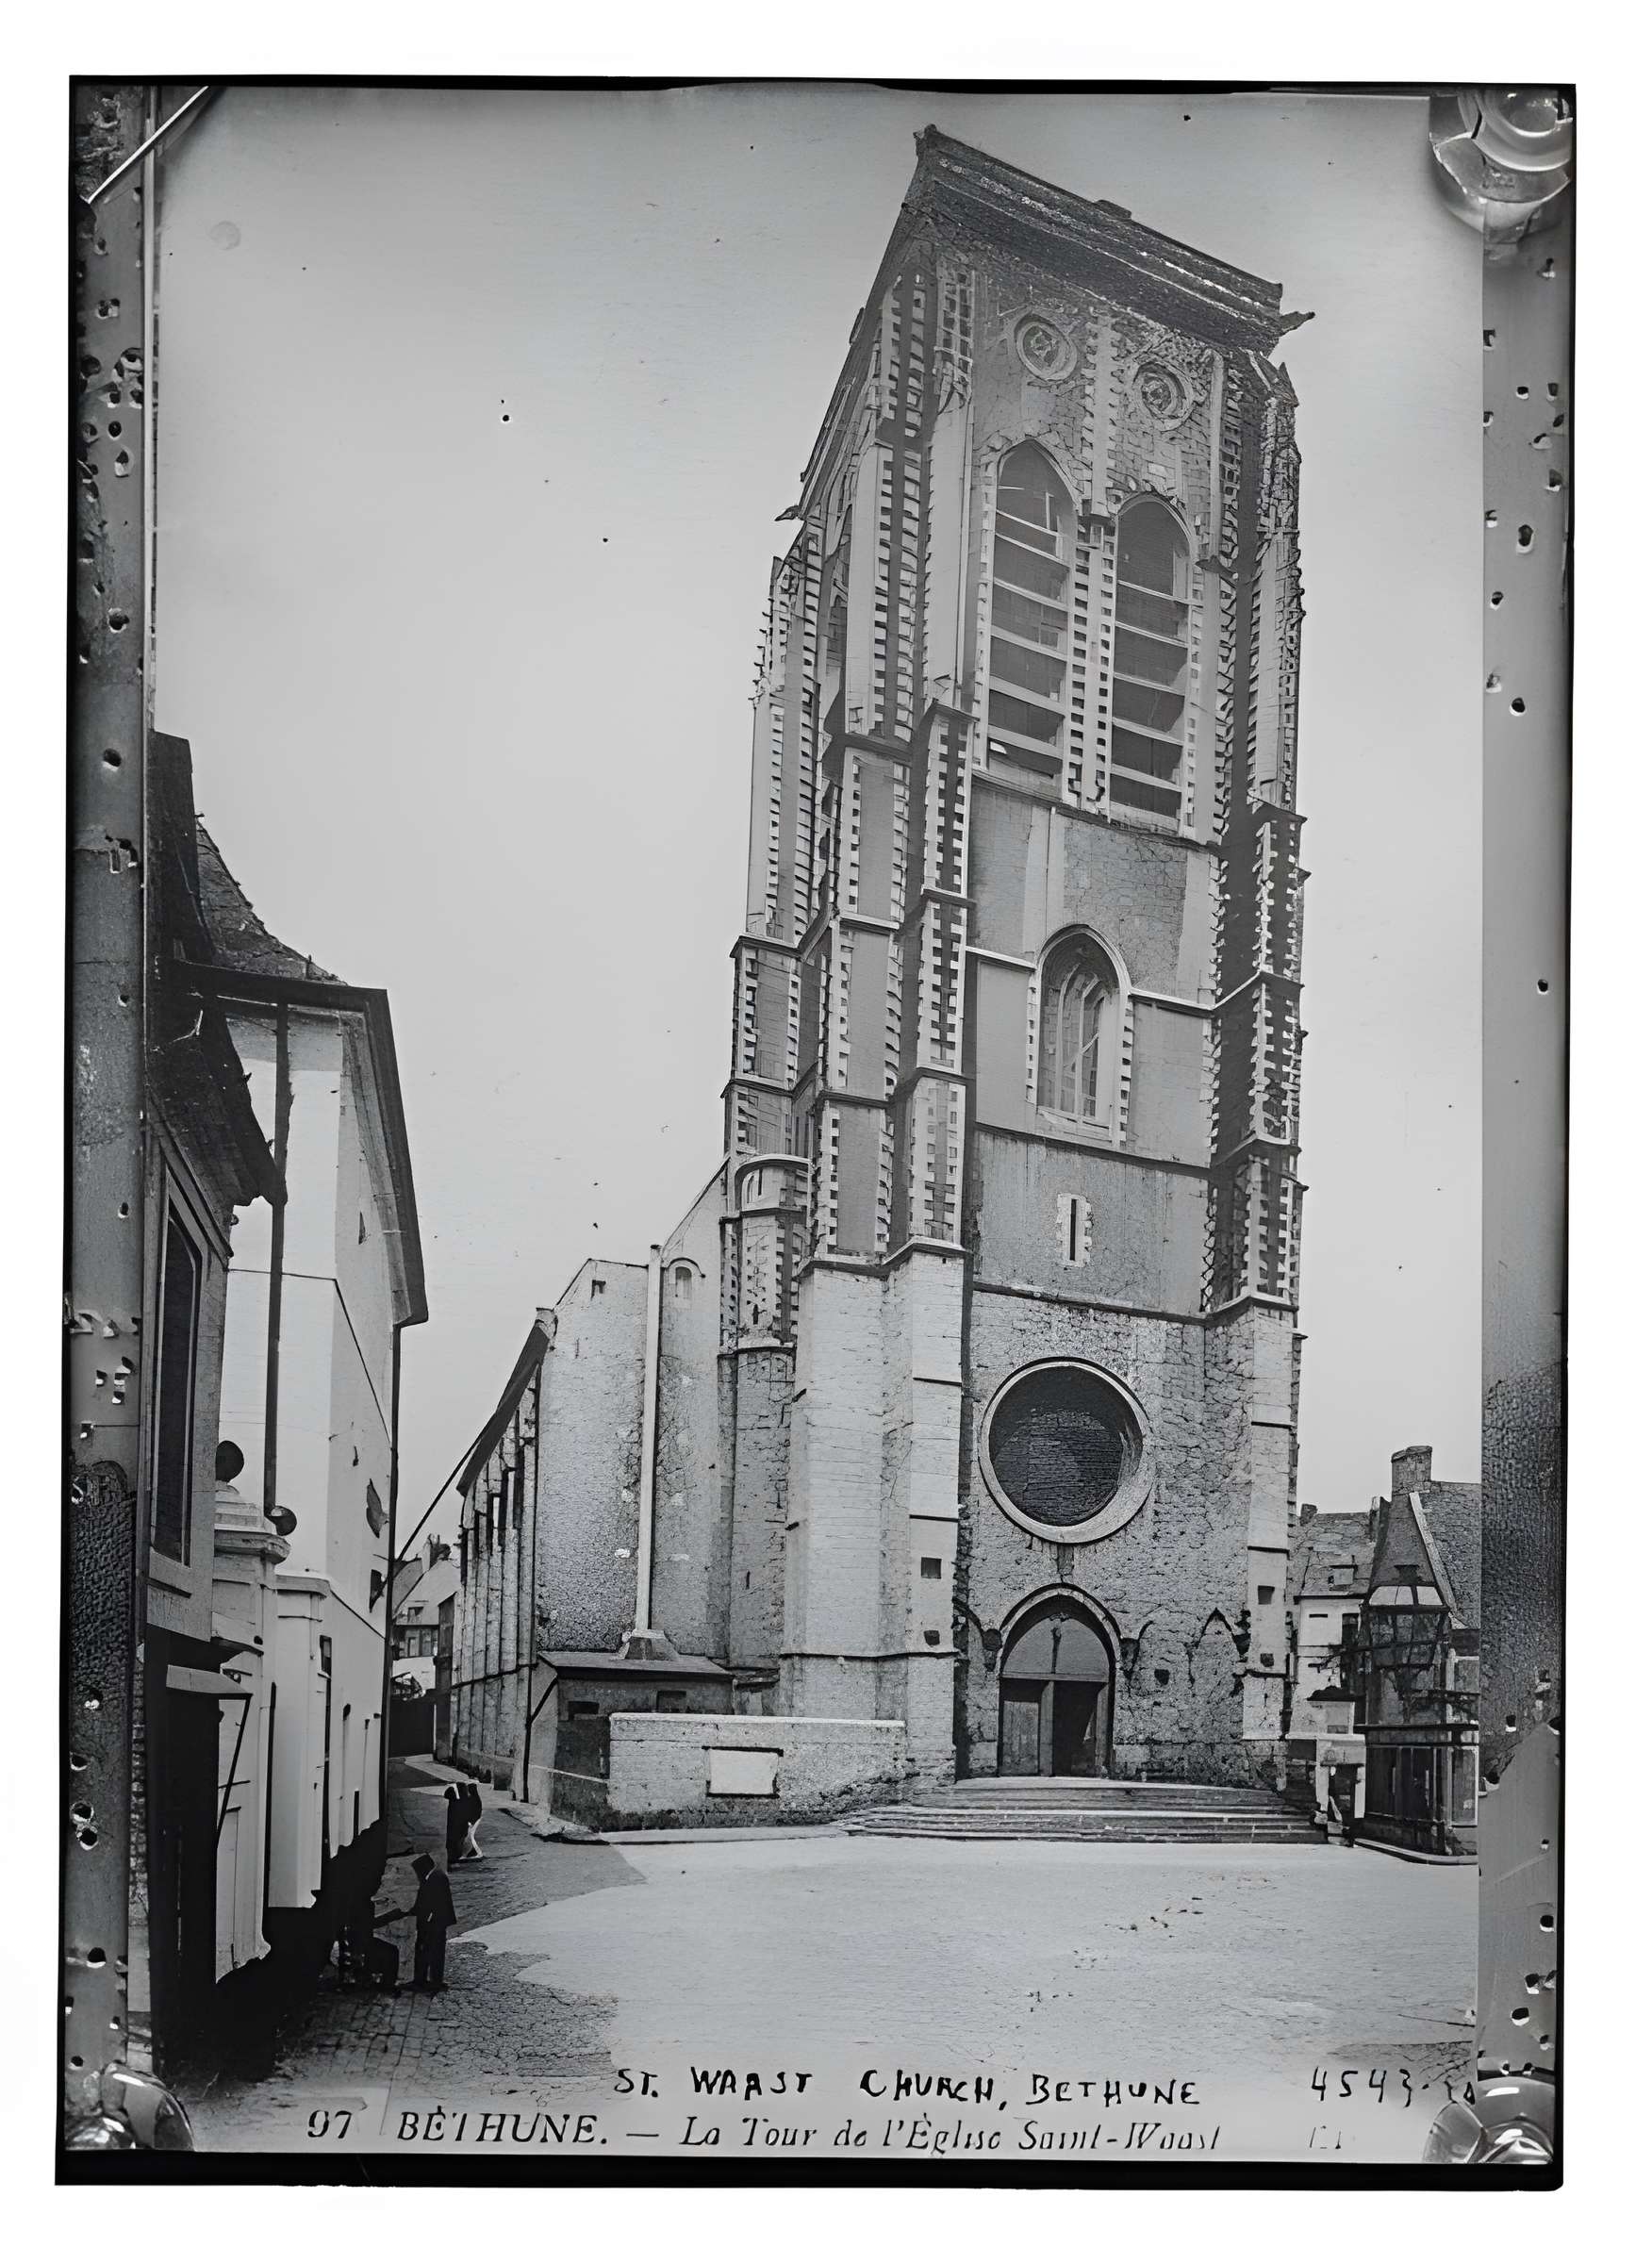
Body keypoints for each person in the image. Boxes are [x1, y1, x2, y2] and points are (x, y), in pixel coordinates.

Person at [339, 1892, 405, 1990]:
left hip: (360, 1939)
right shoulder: (361, 1904)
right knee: (391, 1951)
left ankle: (384, 1982)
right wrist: (392, 1916)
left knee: (389, 1949)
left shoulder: (357, 1901)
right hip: (360, 1941)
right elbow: (367, 1925)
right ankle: (387, 1984)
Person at [411, 1854, 456, 1991]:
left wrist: (424, 1918)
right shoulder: (436, 1876)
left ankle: (426, 1981)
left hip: (434, 1923)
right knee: (434, 1951)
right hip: (437, 1922)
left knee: (429, 1951)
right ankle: (432, 1980)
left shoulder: (434, 1879)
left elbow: (431, 1903)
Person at [461, 1777, 485, 1861]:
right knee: (469, 1837)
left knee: (470, 1837)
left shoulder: (473, 1799)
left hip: (474, 1821)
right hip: (475, 1820)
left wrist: (471, 1822)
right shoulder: (476, 1798)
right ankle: (469, 1853)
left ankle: (478, 1853)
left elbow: (474, 1812)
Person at [444, 1782, 466, 1868]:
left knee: (452, 1843)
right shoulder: (458, 1802)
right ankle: (453, 1860)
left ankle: (451, 1861)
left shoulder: (453, 1802)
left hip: (452, 1827)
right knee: (456, 1843)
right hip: (456, 1827)